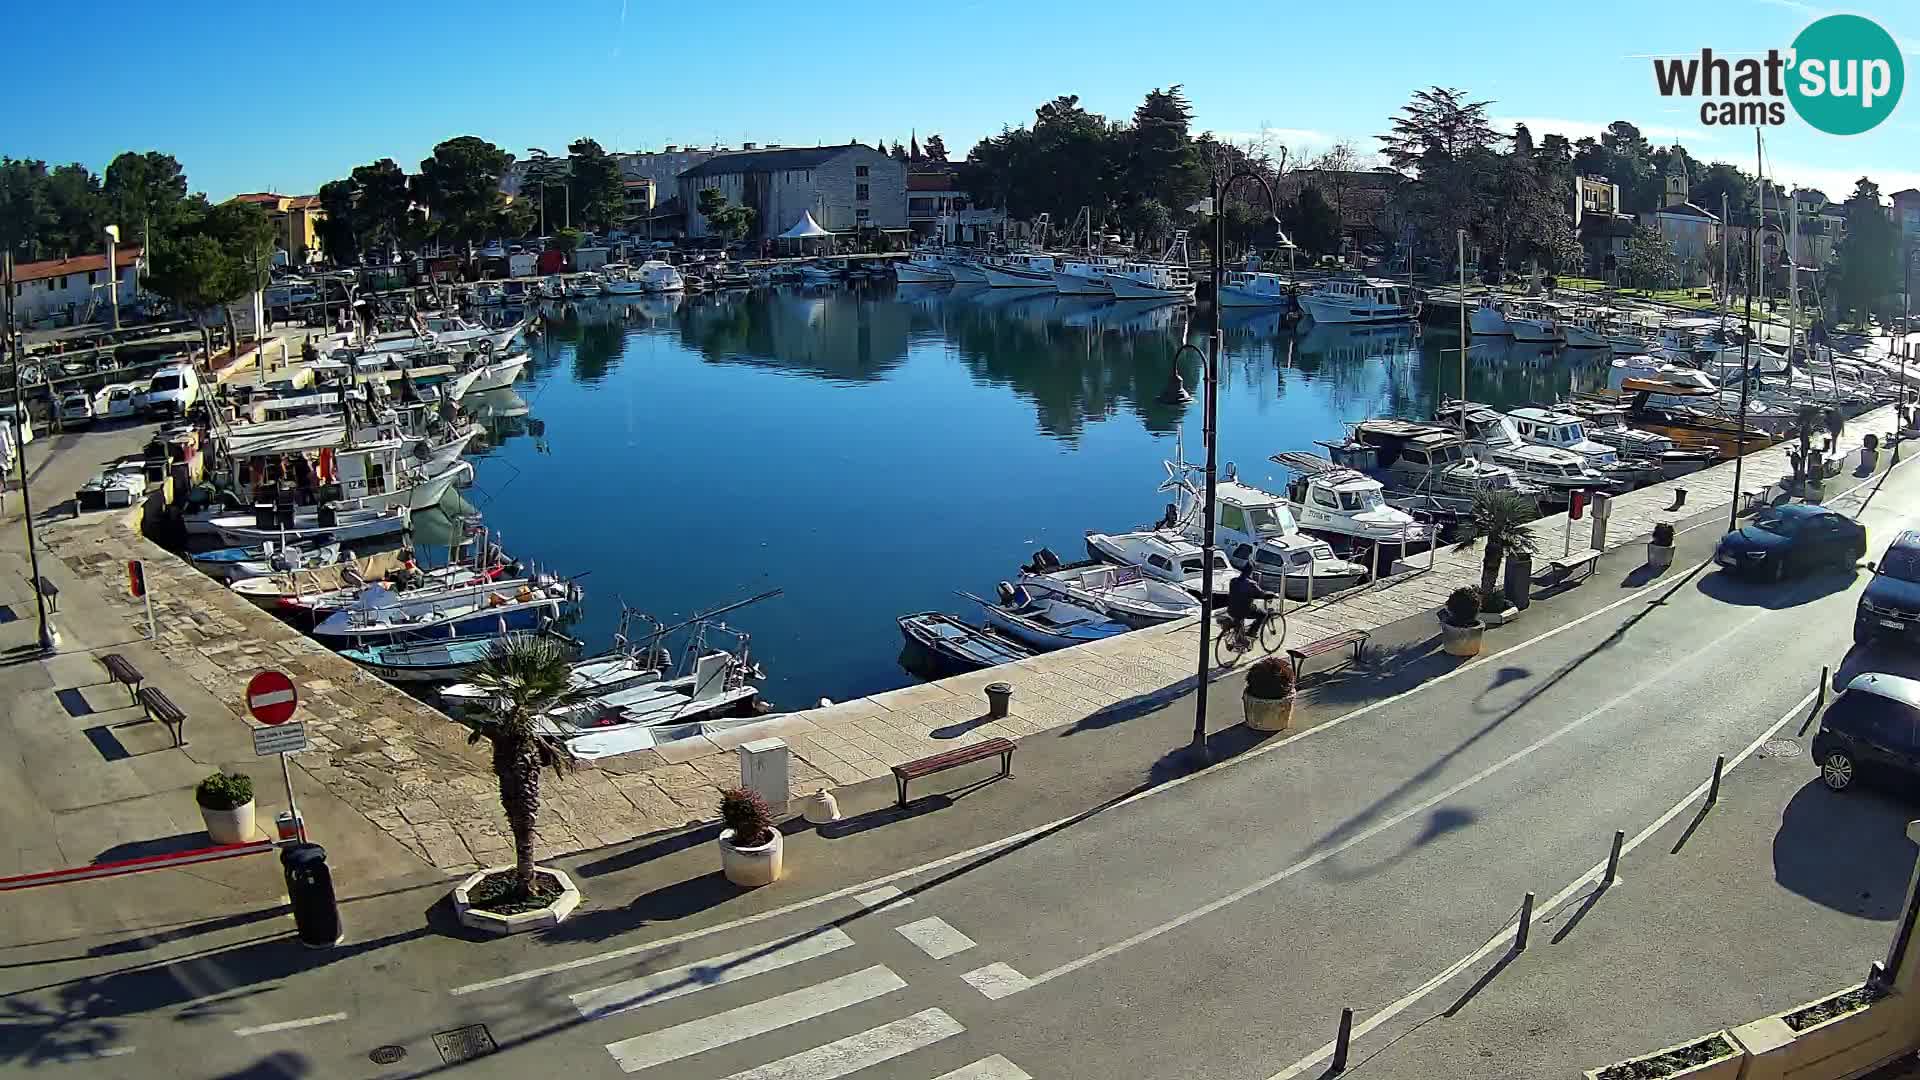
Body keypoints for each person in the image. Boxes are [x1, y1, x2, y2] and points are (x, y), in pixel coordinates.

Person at [1226, 560, 1276, 644]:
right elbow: (1262, 594)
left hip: (1231, 609)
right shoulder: (1251, 584)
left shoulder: (1233, 581)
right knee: (1263, 614)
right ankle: (1252, 632)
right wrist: (1272, 594)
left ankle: (1239, 634)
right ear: (1250, 572)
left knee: (1241, 613)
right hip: (1244, 611)